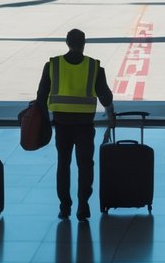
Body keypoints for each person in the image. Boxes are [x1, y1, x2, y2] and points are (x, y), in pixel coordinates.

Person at [37, 28, 115, 221]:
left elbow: (41, 96)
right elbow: (106, 96)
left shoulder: (52, 65)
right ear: (84, 43)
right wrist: (111, 114)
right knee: (85, 165)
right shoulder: (93, 66)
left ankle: (64, 207)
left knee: (63, 164)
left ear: (67, 42)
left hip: (61, 124)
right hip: (84, 125)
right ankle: (83, 205)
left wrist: (44, 122)